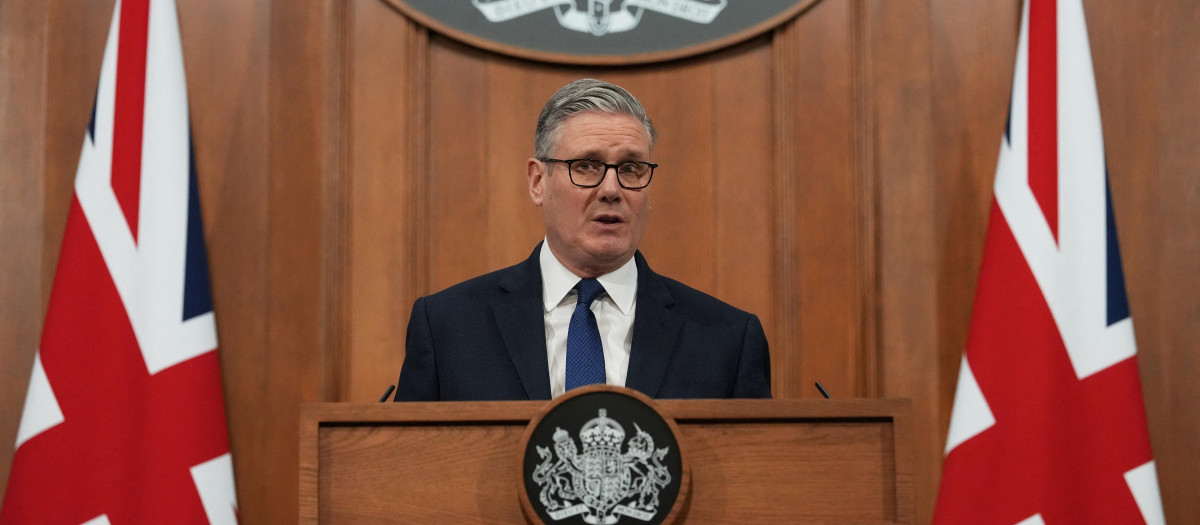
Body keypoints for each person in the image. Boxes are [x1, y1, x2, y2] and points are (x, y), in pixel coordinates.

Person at [393, 78, 770, 401]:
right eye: (586, 166)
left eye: (631, 168)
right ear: (538, 182)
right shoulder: (447, 326)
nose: (611, 189)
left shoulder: (727, 339)